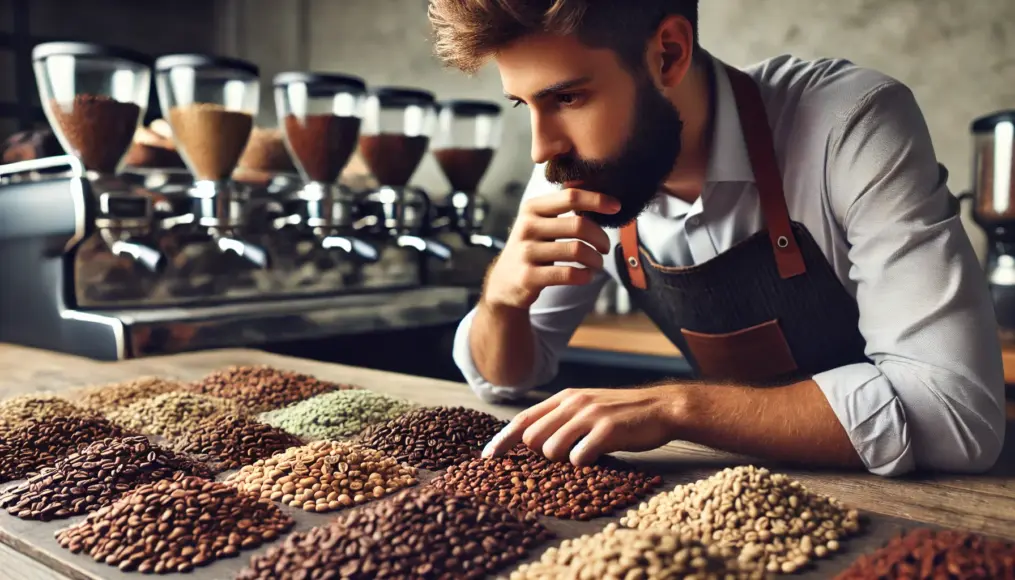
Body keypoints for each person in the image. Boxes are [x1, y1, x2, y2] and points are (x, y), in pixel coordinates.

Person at [427, 0, 1006, 476]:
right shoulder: (575, 164)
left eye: (569, 98)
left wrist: (677, 407)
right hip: (741, 495)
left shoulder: (848, 123)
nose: (540, 148)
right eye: (522, 104)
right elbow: (509, 377)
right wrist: (502, 301)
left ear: (668, 54)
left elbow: (958, 417)